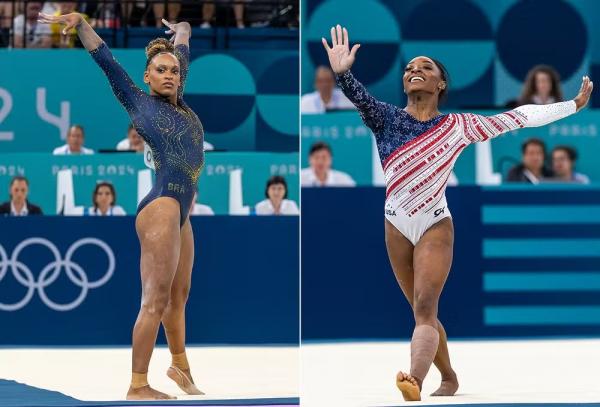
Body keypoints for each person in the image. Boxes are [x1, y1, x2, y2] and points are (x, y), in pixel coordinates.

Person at [322, 24, 593, 401]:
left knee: (424, 306)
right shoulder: (384, 117)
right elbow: (358, 96)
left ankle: (413, 379)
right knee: (424, 316)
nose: (415, 69)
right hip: (395, 224)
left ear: (441, 85)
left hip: (435, 221)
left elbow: (521, 116)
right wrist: (341, 72)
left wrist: (572, 105)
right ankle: (449, 377)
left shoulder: (458, 126)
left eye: (427, 67)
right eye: (409, 67)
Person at [38, 10, 205, 400]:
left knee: (179, 297)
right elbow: (106, 60)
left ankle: (179, 366)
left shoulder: (181, 100)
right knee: (155, 299)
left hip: (181, 211)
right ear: (147, 77)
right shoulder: (139, 101)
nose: (168, 74)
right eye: (159, 70)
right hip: (161, 205)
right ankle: (137, 384)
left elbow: (182, 45)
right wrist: (80, 23)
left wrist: (182, 29)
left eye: (173, 71)